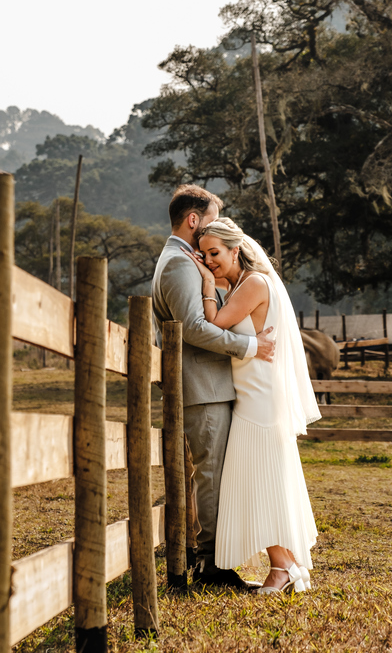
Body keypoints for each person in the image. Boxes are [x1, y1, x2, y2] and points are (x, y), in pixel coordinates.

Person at [184, 217, 321, 594]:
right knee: (267, 480)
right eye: (204, 254)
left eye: (215, 253)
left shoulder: (254, 284)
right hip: (253, 396)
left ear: (235, 250)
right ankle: (289, 565)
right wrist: (218, 281)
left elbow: (213, 322)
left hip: (258, 401)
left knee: (262, 481)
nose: (209, 260)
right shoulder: (244, 284)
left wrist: (209, 285)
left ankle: (282, 567)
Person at [150, 185, 276, 589]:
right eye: (212, 219)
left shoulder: (181, 260)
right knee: (211, 474)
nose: (216, 230)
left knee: (205, 473)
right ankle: (211, 565)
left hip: (206, 385)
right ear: (193, 220)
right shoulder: (179, 264)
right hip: (202, 387)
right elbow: (196, 329)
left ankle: (200, 553)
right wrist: (251, 346)